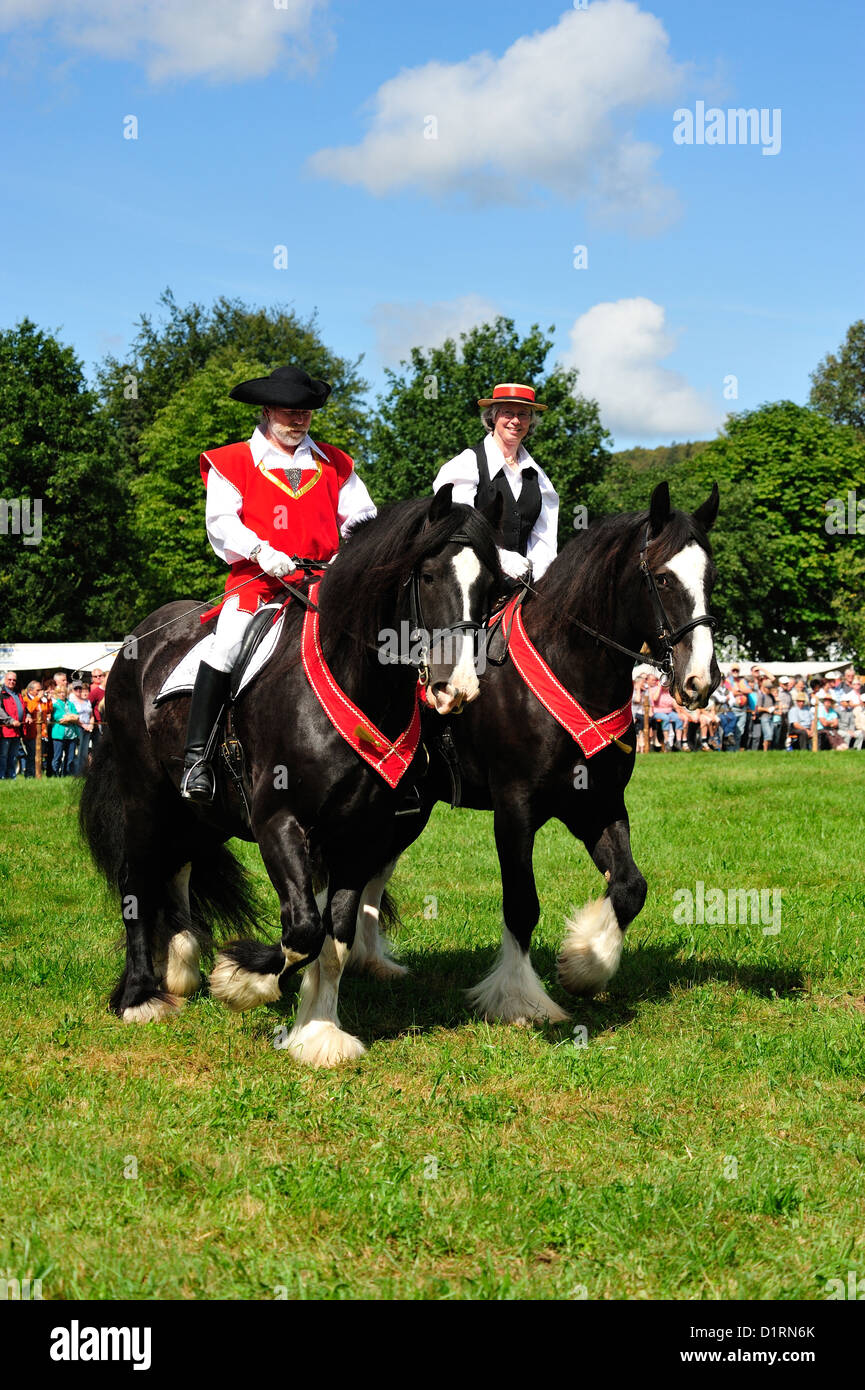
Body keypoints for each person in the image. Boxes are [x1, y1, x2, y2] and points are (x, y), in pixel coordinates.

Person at [181, 364, 377, 801]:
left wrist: (349, 556)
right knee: (226, 646)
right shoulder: (231, 461)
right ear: (268, 409)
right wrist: (259, 551)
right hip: (259, 583)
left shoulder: (336, 462)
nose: (298, 419)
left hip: (326, 582)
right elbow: (221, 521)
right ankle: (198, 759)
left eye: (305, 412)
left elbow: (364, 519)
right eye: (290, 411)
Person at [433, 383, 558, 582]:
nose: (515, 421)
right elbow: (460, 529)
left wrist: (537, 580)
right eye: (508, 413)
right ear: (493, 416)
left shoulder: (539, 478)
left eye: (523, 414)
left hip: (525, 586)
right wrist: (504, 560)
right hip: (472, 583)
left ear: (530, 421)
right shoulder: (466, 464)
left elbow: (545, 541)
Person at [49, 671, 79, 776]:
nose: (62, 694)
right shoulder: (55, 704)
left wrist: (70, 718)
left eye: (64, 692)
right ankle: (55, 774)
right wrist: (71, 717)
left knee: (70, 757)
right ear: (57, 694)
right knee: (57, 756)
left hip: (72, 734)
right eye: (60, 693)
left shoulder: (70, 703)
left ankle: (66, 774)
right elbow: (58, 718)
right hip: (59, 734)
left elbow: (77, 716)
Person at [0, 670, 25, 780]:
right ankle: (1, 776)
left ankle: (11, 776)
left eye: (14, 680)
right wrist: (10, 721)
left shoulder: (18, 694)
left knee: (13, 756)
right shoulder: (1, 694)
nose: (12, 682)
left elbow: (25, 708)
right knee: (3, 756)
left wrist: (28, 716)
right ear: (5, 680)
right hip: (5, 731)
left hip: (16, 731)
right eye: (9, 679)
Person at [68, 679, 94, 775]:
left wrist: (91, 724)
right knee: (77, 751)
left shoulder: (87, 701)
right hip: (77, 727)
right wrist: (83, 725)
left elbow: (91, 715)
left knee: (85, 751)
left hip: (88, 728)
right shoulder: (71, 701)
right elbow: (73, 715)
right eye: (76, 688)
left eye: (80, 688)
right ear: (73, 690)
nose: (78, 690)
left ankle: (83, 771)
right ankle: (76, 772)